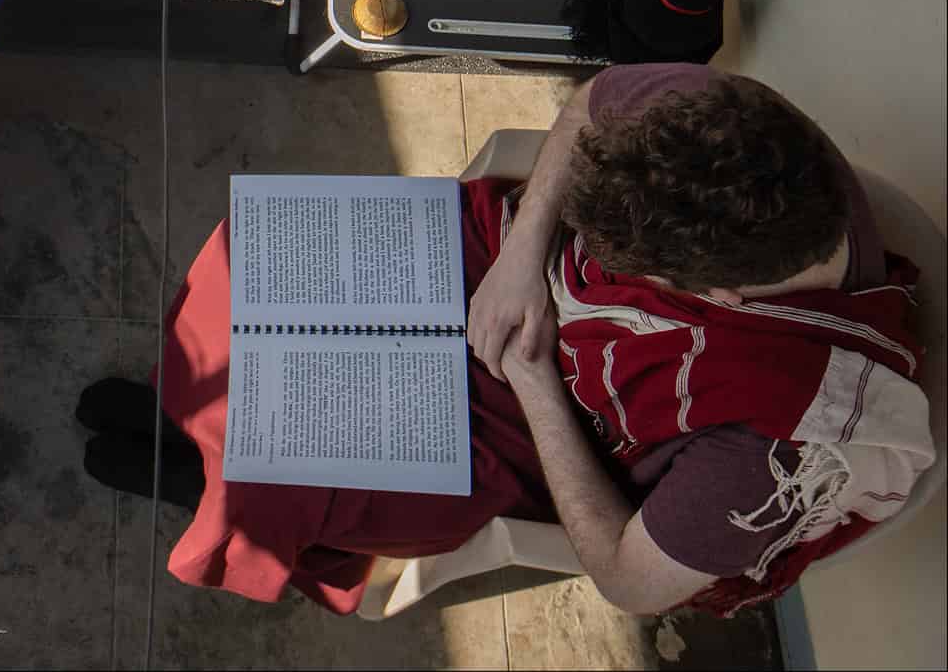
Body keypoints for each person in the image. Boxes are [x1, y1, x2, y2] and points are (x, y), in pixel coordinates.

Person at [87, 65, 933, 616]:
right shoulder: (737, 134)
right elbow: (593, 104)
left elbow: (631, 581)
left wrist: (533, 379)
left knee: (291, 460)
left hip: (543, 418)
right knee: (261, 264)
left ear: (719, 298)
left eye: (638, 271)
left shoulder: (776, 448)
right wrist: (524, 257)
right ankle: (188, 421)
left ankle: (198, 480)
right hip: (513, 268)